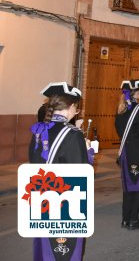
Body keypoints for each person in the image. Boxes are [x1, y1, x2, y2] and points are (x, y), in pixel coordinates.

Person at [30, 82, 91, 260]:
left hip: (41, 198)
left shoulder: (39, 131)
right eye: (77, 108)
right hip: (65, 203)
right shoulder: (73, 134)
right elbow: (82, 174)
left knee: (45, 246)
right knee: (66, 251)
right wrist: (88, 152)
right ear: (71, 107)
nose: (76, 112)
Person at [115, 79, 139, 230]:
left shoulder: (120, 110)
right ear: (136, 92)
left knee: (128, 185)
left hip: (125, 151)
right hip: (137, 152)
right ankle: (134, 220)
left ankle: (125, 219)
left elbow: (121, 131)